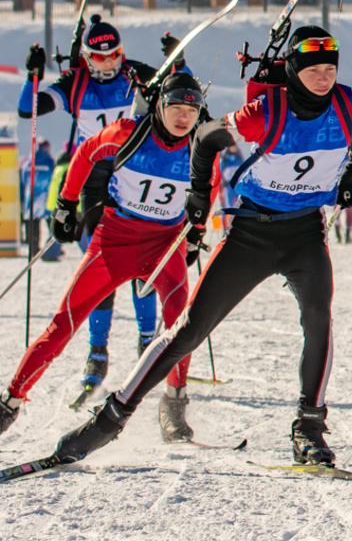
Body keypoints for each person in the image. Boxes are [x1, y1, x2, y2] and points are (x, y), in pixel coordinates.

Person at [52, 26, 352, 467]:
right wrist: (199, 199)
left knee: (319, 319)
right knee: (189, 329)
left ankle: (309, 428)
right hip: (251, 234)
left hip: (305, 233)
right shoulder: (265, 112)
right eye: (313, 70)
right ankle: (110, 419)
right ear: (294, 71)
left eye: (330, 69)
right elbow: (205, 137)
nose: (323, 78)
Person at [0, 73, 209, 442]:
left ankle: (174, 405)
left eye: (191, 111)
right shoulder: (126, 132)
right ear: (159, 105)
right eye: (175, 107)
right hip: (114, 241)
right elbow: (85, 153)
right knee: (63, 324)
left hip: (166, 245)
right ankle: (10, 402)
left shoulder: (200, 147)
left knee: (182, 326)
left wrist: (196, 233)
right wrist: (65, 204)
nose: (183, 117)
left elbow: (209, 186)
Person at [19, 16, 163, 396]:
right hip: (93, 181)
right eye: (99, 57)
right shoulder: (75, 83)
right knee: (100, 266)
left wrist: (175, 64)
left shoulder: (135, 74)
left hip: (135, 176)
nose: (109, 63)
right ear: (86, 57)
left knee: (144, 263)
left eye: (115, 54)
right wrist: (33, 76)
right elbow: (27, 109)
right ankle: (97, 353)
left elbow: (181, 96)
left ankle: (148, 344)